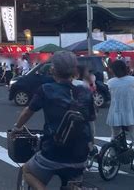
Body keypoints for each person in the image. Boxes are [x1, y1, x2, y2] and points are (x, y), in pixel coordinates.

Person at [13, 52, 95, 190]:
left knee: (26, 170)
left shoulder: (46, 89)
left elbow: (28, 112)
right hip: (81, 153)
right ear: (75, 71)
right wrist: (91, 144)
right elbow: (91, 121)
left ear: (52, 70)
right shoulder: (85, 92)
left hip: (53, 151)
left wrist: (17, 127)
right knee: (73, 182)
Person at [106, 60, 134, 180]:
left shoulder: (110, 82)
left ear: (113, 70)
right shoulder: (132, 80)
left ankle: (111, 160)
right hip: (131, 113)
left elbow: (109, 94)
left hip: (116, 113)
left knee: (114, 138)